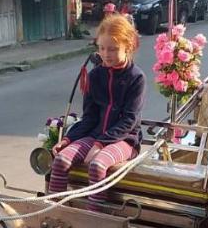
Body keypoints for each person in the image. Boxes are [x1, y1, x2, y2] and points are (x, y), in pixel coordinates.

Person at [47, 14, 145, 210]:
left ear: (128, 46)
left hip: (125, 140)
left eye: (113, 49)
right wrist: (68, 139)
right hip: (95, 135)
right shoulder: (95, 76)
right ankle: (54, 211)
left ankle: (95, 218)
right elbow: (90, 117)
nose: (106, 54)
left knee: (97, 166)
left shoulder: (136, 78)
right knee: (60, 160)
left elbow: (129, 120)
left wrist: (101, 143)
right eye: (101, 48)